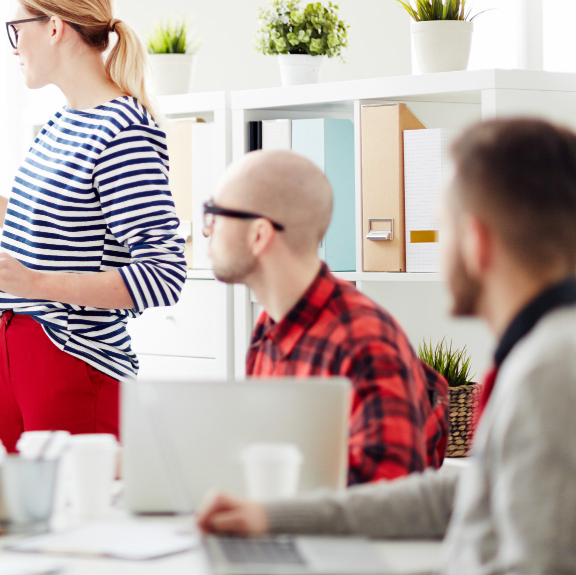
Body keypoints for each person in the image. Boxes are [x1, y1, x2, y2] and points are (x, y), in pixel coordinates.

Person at [197, 118, 576, 574]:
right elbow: (465, 492)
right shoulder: (538, 354)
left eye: (440, 229)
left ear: (475, 242)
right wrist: (269, 516)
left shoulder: (548, 370)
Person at [0, 0, 186, 452]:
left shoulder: (125, 132)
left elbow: (164, 275)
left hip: (75, 363)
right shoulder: (61, 124)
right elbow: (42, 227)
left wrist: (34, 283)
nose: (14, 46)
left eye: (17, 30)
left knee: (72, 523)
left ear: (56, 27)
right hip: (15, 348)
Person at [204, 149, 448, 484]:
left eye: (215, 214)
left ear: (258, 235)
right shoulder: (268, 327)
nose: (207, 231)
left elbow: (389, 501)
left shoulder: (364, 341)